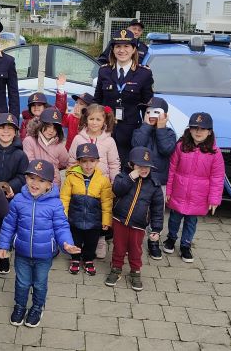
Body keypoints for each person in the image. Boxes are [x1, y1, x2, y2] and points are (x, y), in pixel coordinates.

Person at [0, 159, 81, 328]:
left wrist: (67, 243)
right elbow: (8, 225)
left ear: (49, 185)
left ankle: (37, 307)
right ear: (26, 178)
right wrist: (4, 246)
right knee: (21, 282)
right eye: (31, 178)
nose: (35, 183)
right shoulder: (18, 200)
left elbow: (61, 227)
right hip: (21, 252)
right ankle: (20, 306)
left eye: (41, 180)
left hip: (44, 255)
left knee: (40, 283)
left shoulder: (55, 204)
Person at [164, 112, 225, 263]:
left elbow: (217, 177)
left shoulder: (215, 153)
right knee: (174, 219)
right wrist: (168, 190)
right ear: (189, 130)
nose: (198, 132)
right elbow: (171, 169)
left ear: (210, 132)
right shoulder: (181, 146)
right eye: (195, 128)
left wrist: (214, 200)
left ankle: (185, 245)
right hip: (179, 192)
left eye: (203, 129)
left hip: (198, 196)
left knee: (191, 222)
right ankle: (171, 238)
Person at [105, 147, 164, 291]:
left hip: (138, 225)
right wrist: (131, 177)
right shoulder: (122, 177)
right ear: (131, 165)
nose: (143, 169)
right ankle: (116, 269)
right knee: (118, 247)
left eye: (147, 167)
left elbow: (157, 209)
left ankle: (135, 272)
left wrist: (156, 229)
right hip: (120, 220)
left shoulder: (154, 186)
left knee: (135, 250)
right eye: (139, 166)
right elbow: (117, 190)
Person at [94, 29, 154, 163]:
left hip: (131, 134)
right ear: (113, 49)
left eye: (126, 46)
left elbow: (147, 106)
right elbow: (96, 102)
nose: (122, 50)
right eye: (118, 46)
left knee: (127, 170)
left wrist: (147, 132)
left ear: (134, 49)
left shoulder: (144, 74)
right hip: (106, 131)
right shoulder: (104, 71)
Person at [131, 97, 177, 260]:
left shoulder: (169, 133)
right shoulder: (140, 130)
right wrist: (145, 126)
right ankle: (135, 239)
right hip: (141, 180)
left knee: (157, 212)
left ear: (165, 115)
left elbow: (166, 150)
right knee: (140, 210)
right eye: (148, 111)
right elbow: (137, 144)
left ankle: (153, 240)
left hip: (159, 181)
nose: (151, 115)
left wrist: (161, 128)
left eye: (156, 112)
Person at [0, 112, 29, 275]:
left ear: (16, 132)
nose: (6, 132)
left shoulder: (20, 154)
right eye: (2, 127)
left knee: (7, 227)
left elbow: (23, 176)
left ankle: (4, 256)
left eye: (10, 128)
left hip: (10, 199)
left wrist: (11, 187)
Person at [60, 143, 112, 276]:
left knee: (91, 243)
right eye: (84, 161)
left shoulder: (103, 180)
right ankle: (75, 259)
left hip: (94, 220)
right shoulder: (71, 177)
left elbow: (106, 202)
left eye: (92, 161)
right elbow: (64, 197)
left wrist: (106, 220)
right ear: (78, 162)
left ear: (98, 161)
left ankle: (88, 259)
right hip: (75, 218)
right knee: (75, 240)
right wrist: (63, 214)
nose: (88, 165)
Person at [68, 103, 121, 179]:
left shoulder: (110, 141)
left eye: (98, 119)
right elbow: (72, 161)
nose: (94, 123)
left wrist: (114, 184)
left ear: (104, 121)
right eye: (91, 119)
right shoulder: (78, 139)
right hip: (80, 182)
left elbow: (114, 165)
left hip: (102, 184)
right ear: (86, 120)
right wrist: (72, 180)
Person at [22, 108, 69, 187]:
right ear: (40, 124)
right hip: (33, 181)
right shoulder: (29, 141)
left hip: (53, 183)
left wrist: (55, 168)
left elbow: (65, 162)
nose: (51, 131)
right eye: (48, 126)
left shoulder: (59, 145)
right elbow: (29, 163)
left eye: (55, 128)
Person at [19, 76, 67, 140]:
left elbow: (60, 109)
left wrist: (60, 88)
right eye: (33, 105)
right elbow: (22, 138)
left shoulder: (50, 118)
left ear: (44, 106)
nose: (36, 107)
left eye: (39, 105)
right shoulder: (25, 122)